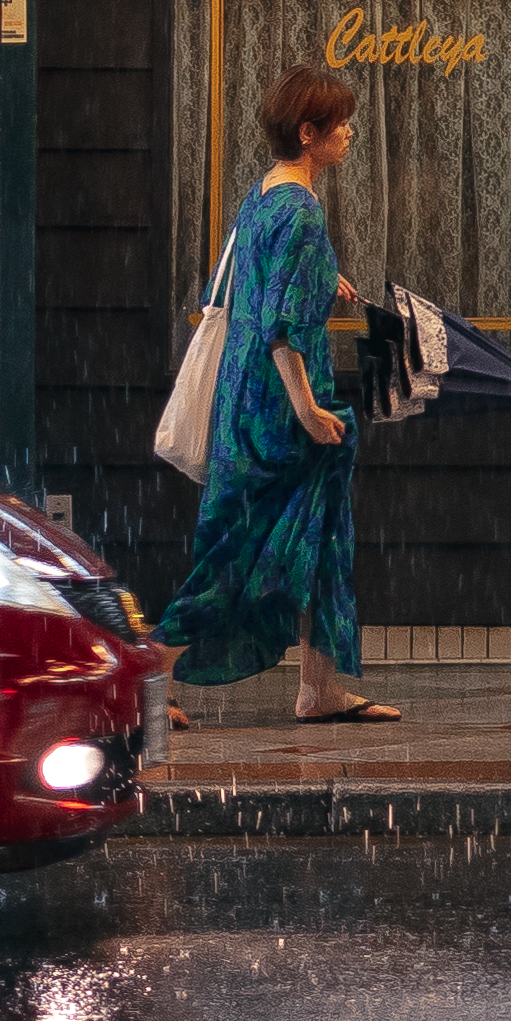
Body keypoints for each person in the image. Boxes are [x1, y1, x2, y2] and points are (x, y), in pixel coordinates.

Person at [156, 62, 396, 726]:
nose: (349, 132)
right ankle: (147, 669)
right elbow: (284, 333)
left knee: (316, 534)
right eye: (340, 123)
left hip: (245, 395)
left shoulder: (264, 194)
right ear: (308, 130)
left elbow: (256, 278)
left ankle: (318, 688)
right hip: (279, 406)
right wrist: (306, 409)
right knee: (241, 544)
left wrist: (329, 277)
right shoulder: (301, 213)